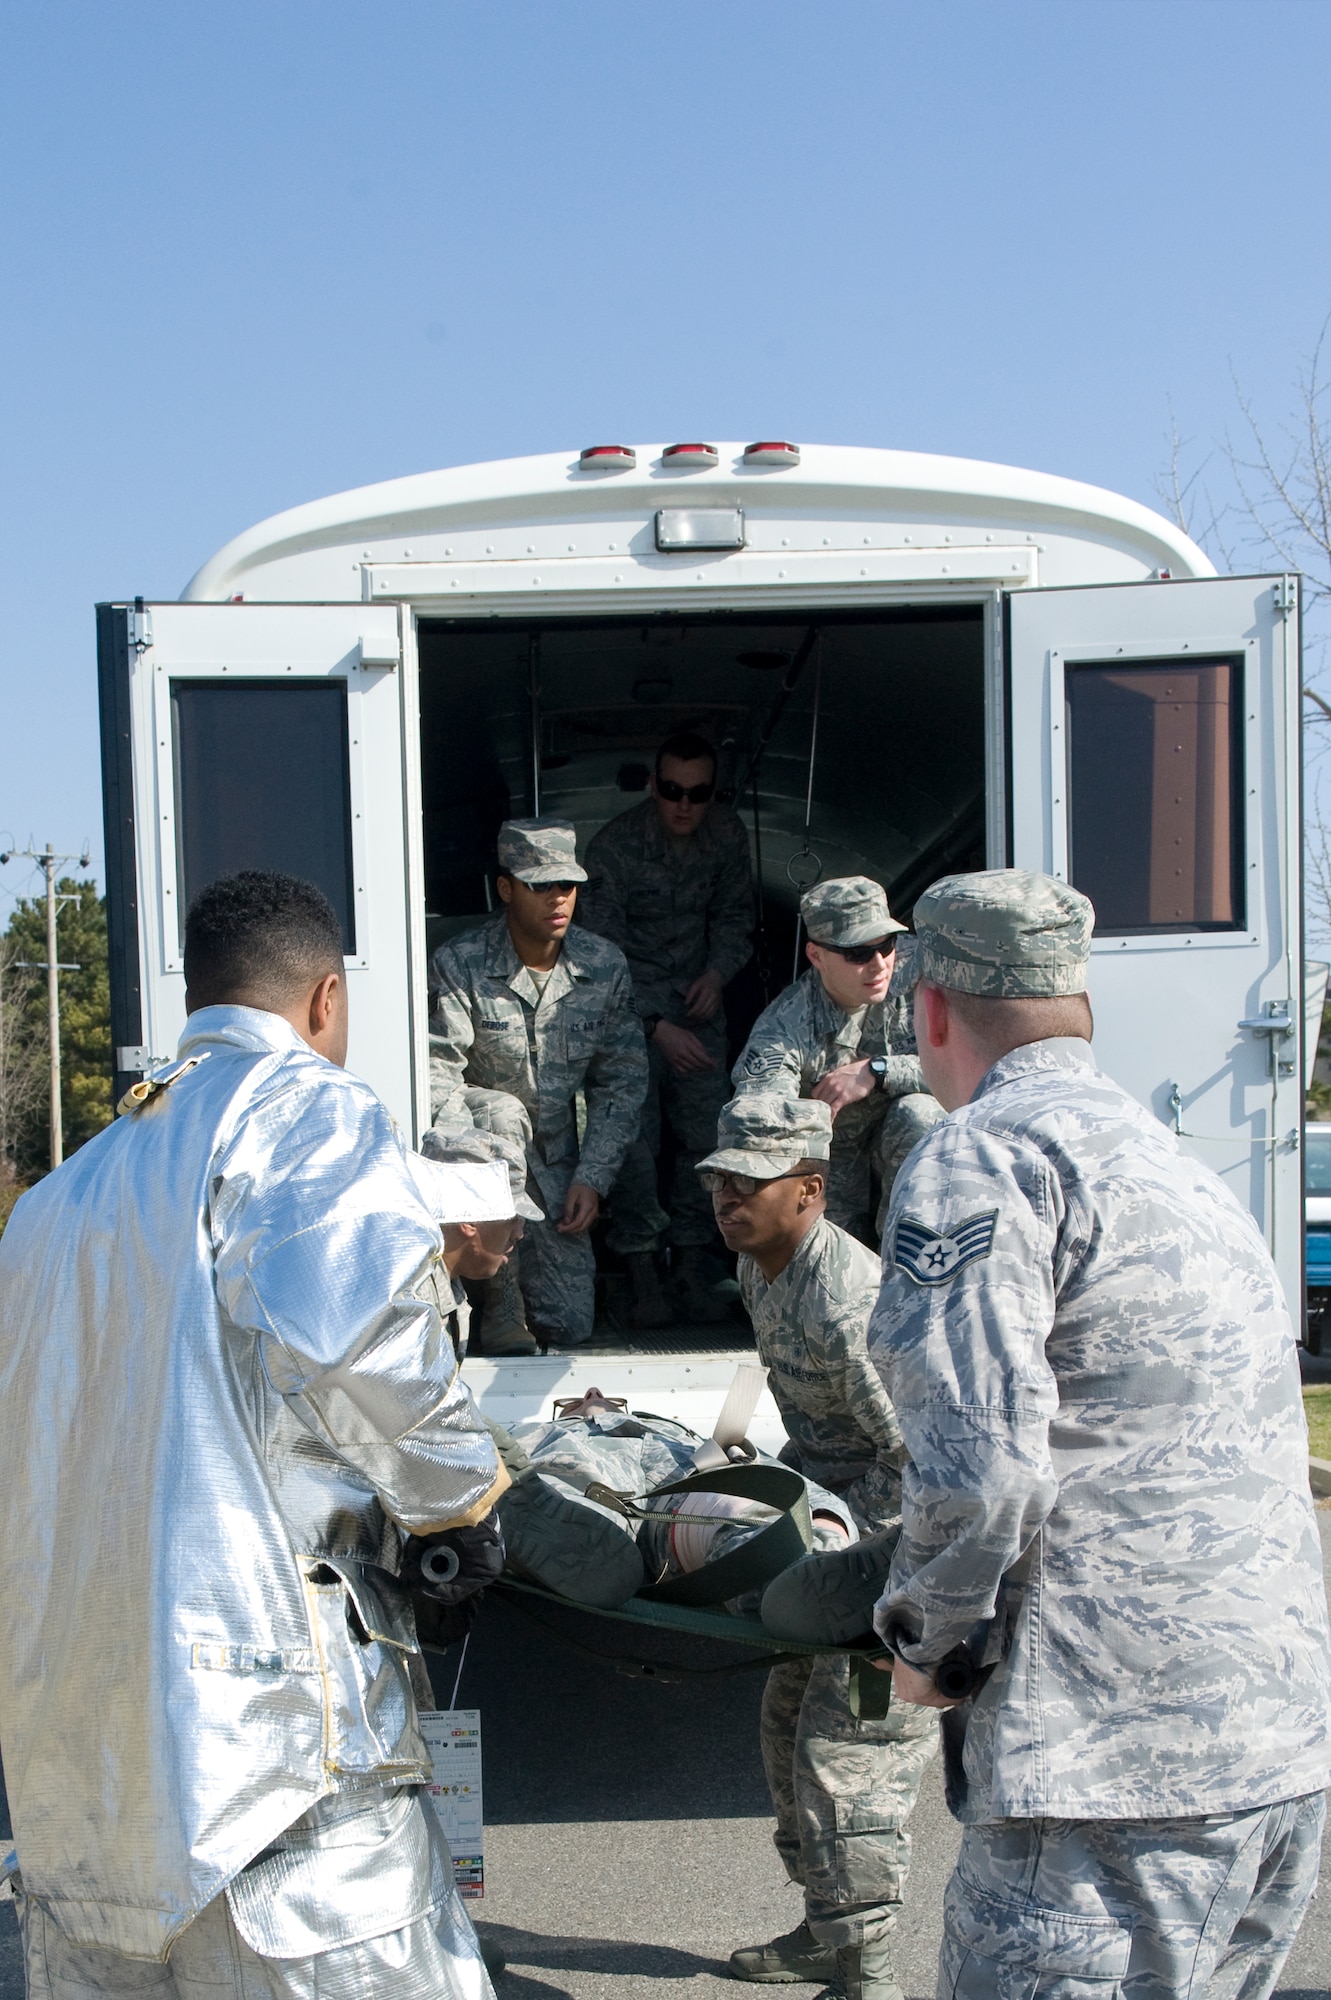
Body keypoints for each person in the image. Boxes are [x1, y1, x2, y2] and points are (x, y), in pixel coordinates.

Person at [0, 870, 509, 2000]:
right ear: (326, 998)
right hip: (272, 1780)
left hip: (83, 1805)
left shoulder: (60, 1196)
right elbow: (359, 1334)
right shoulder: (306, 1108)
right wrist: (457, 1500)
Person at [869, 868, 1331, 2000]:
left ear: (927, 1008)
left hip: (1108, 1785)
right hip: (1270, 1756)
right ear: (1080, 1005)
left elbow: (978, 1465)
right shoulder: (1176, 1165)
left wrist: (924, 1643)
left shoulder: (981, 1152)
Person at [699, 1094, 938, 2000]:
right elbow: (793, 1405)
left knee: (849, 1755)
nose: (727, 1199)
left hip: (889, 1550)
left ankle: (868, 1969)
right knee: (784, 1729)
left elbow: (921, 1461)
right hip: (833, 1524)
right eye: (719, 1182)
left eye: (748, 1183)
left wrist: (881, 1586)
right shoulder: (764, 1267)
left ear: (808, 1189)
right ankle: (823, 1929)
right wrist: (739, 1466)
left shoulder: (848, 1302)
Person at [429, 816, 648, 1352]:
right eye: (539, 886)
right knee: (503, 1109)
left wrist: (591, 1179)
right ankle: (500, 1302)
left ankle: (520, 1303)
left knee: (569, 1323)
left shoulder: (603, 966)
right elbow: (436, 1075)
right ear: (506, 889)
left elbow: (621, 1081)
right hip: (481, 1156)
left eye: (567, 886)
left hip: (556, 1163)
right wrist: (469, 1177)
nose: (557, 900)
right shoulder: (461, 964)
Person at [582, 729, 754, 1326]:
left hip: (699, 1002)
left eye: (699, 792)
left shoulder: (726, 834)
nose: (685, 805)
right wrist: (654, 1026)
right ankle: (640, 1265)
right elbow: (599, 959)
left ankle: (694, 1259)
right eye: (673, 790)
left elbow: (737, 915)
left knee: (708, 1137)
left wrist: (717, 973)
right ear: (654, 786)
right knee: (634, 1141)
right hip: (630, 1013)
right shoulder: (617, 848)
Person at [733, 875, 942, 1245]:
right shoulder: (786, 1026)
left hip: (911, 1162)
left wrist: (879, 1071)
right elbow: (757, 1119)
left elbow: (977, 1067)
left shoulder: (925, 971)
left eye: (887, 945)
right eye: (858, 953)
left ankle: (914, 1259)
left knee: (921, 1114)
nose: (879, 964)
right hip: (832, 1167)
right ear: (817, 956)